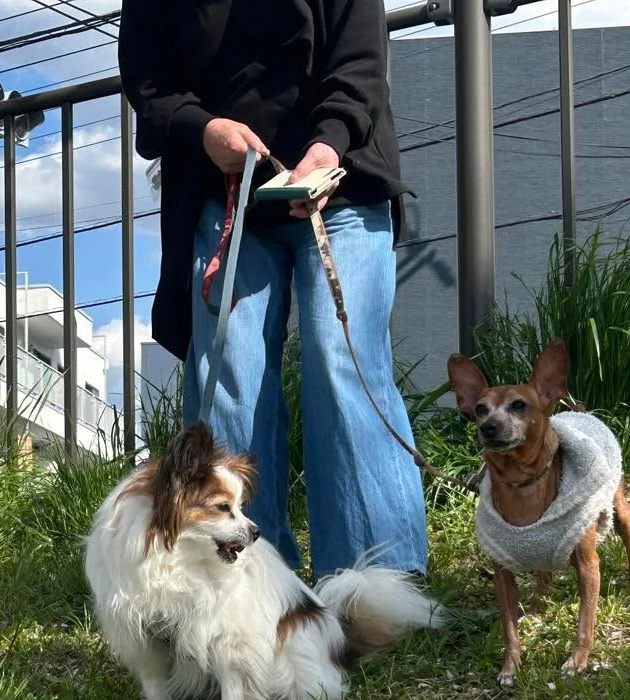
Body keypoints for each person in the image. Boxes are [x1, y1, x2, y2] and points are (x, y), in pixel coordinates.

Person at [118, 0, 429, 580]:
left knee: (342, 361)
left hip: (341, 177)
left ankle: (380, 581)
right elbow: (149, 80)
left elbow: (360, 60)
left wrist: (328, 146)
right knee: (230, 381)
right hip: (222, 189)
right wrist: (201, 128)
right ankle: (248, 581)